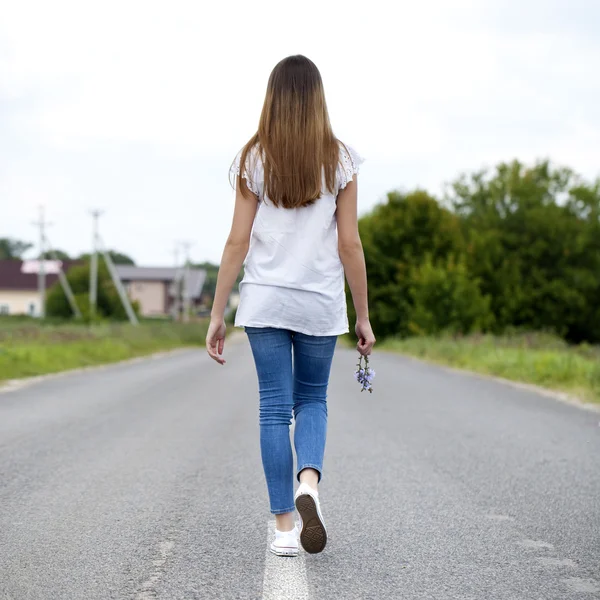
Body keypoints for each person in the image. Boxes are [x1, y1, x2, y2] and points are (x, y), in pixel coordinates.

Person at [206, 54, 375, 557]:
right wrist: (362, 314)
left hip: (265, 301)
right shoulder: (340, 160)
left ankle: (284, 527)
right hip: (320, 302)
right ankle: (309, 484)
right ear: (318, 99)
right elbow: (350, 244)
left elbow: (237, 241)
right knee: (313, 400)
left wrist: (217, 312)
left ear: (273, 99)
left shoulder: (253, 158)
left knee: (274, 409)